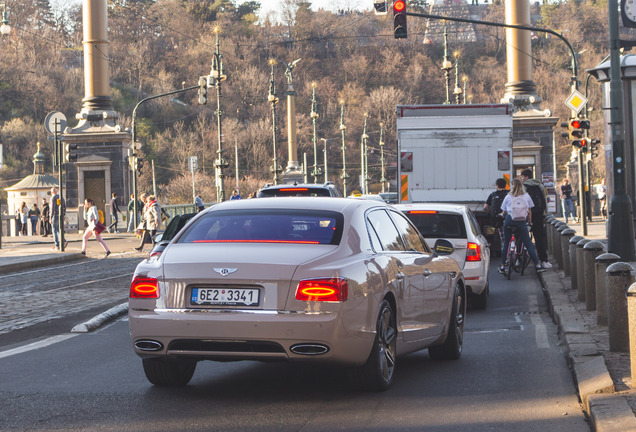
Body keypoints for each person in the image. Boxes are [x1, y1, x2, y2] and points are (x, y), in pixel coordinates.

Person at [499, 178, 544, 274]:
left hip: (509, 221)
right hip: (521, 221)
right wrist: (530, 222)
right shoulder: (526, 196)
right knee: (528, 243)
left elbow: (504, 211)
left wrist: (502, 215)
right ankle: (538, 265)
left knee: (506, 243)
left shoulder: (508, 196)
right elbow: (530, 211)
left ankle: (502, 266)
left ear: (512, 186)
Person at [520, 169, 551, 269]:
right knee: (539, 238)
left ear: (526, 177)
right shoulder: (540, 185)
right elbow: (544, 200)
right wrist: (544, 213)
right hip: (538, 215)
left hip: (525, 215)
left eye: (522, 177)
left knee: (521, 237)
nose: (522, 179)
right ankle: (544, 260)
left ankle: (519, 260)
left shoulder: (523, 187)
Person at [50, 186, 67, 251]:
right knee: (59, 229)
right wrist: (64, 214)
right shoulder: (61, 197)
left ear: (52, 192)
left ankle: (57, 246)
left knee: (54, 230)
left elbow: (52, 208)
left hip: (54, 215)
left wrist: (50, 217)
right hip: (60, 215)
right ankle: (64, 241)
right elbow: (64, 207)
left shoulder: (53, 198)